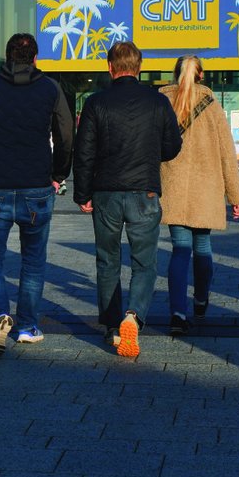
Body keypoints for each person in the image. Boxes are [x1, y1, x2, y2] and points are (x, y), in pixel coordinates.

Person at [73, 41, 182, 358]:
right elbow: (173, 146)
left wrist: (82, 193)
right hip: (144, 191)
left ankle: (110, 327)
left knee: (107, 261)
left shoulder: (96, 103)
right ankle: (132, 316)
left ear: (110, 67)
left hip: (105, 192)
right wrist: (150, 155)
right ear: (140, 66)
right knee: (144, 263)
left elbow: (84, 153)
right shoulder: (158, 102)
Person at [0, 33, 74, 354]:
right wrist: (59, 173)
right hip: (37, 186)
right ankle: (27, 326)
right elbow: (66, 134)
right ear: (36, 58)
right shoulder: (50, 89)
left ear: (7, 56)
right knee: (33, 261)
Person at [159, 55, 239, 336]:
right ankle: (200, 300)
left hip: (171, 185)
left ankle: (176, 311)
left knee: (179, 250)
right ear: (201, 76)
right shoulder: (212, 103)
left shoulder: (162, 99)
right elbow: (226, 152)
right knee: (203, 247)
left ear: (174, 74)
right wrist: (236, 195)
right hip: (206, 187)